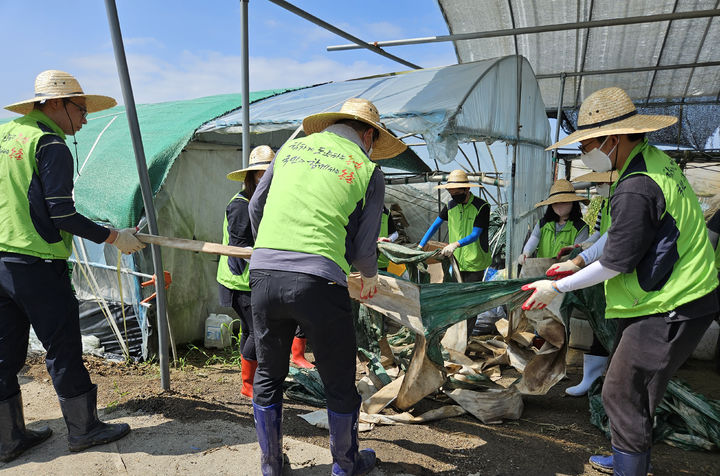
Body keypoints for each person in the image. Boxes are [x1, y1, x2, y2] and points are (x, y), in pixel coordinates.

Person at [523, 87, 718, 475]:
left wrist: (557, 287)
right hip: (674, 296)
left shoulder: (636, 185)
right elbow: (618, 236)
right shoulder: (653, 163)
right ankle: (629, 457)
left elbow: (616, 261)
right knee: (634, 388)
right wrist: (578, 259)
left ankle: (630, 467)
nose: (584, 154)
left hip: (671, 303)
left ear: (612, 139)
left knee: (620, 390)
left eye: (587, 144)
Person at [248, 97, 406, 476]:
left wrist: (272, 252)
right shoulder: (367, 169)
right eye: (373, 141)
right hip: (319, 280)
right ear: (368, 134)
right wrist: (367, 277)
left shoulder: (290, 150)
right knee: (337, 379)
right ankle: (346, 465)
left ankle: (271, 466)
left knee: (269, 374)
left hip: (264, 275)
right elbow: (367, 248)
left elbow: (256, 207)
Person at [0, 70, 145, 462]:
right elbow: (62, 214)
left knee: (4, 353)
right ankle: (84, 429)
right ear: (56, 105)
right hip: (38, 263)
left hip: (1, 262)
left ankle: (8, 440)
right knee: (62, 348)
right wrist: (116, 238)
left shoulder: (7, 134)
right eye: (80, 110)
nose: (83, 120)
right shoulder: (50, 143)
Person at [551, 171, 617, 397]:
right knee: (600, 325)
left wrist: (579, 260)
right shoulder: (606, 204)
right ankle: (592, 379)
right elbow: (600, 235)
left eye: (601, 182)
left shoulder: (627, 200)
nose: (598, 186)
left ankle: (612, 384)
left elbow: (612, 238)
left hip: (618, 273)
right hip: (605, 279)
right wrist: (582, 248)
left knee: (617, 330)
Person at [217, 145, 273, 398]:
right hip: (240, 279)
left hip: (251, 279)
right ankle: (249, 384)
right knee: (259, 332)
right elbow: (239, 247)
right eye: (261, 173)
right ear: (251, 177)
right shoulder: (241, 205)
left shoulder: (260, 201)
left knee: (251, 330)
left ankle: (248, 382)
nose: (266, 178)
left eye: (270, 172)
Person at [418, 169, 491, 336]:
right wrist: (420, 245)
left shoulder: (482, 207)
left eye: (457, 192)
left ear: (467, 189)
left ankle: (465, 338)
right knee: (456, 298)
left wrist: (455, 244)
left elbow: (475, 235)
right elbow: (435, 225)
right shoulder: (450, 205)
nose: (453, 195)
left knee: (470, 302)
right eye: (450, 192)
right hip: (456, 259)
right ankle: (454, 335)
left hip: (475, 261)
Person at [518, 179, 589, 263]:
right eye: (555, 202)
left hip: (566, 272)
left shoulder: (580, 228)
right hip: (541, 269)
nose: (559, 206)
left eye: (563, 202)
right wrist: (526, 253)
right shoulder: (543, 223)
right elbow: (534, 238)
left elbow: (578, 254)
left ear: (573, 203)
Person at [376, 205, 398, 271]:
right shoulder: (364, 211)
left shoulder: (386, 213)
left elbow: (395, 234)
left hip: (382, 260)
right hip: (364, 260)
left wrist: (389, 239)